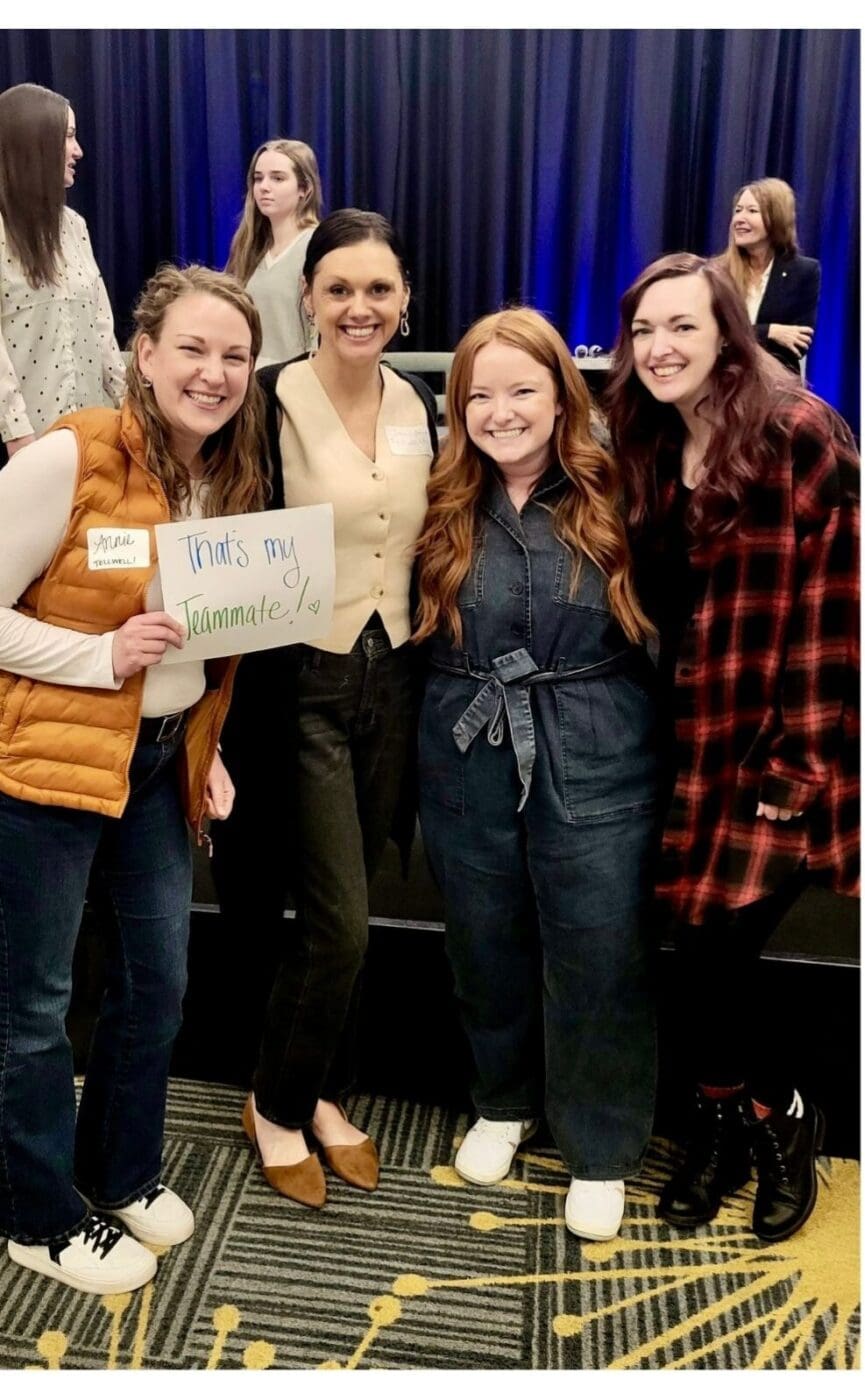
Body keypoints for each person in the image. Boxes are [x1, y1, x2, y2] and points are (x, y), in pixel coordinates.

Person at [0, 265, 266, 1293]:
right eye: (191, 348)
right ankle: (37, 1212)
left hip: (160, 765)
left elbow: (198, 645)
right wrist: (96, 659)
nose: (213, 372)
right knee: (33, 1004)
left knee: (157, 981)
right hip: (43, 766)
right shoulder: (70, 454)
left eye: (234, 355)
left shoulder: (229, 475)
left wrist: (209, 747)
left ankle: (117, 1170)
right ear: (142, 354)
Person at [607, 252, 857, 1244]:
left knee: (719, 947)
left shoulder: (798, 431)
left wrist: (795, 767)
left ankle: (782, 1116)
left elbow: (831, 610)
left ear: (726, 333)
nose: (660, 348)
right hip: (683, 735)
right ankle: (720, 1124)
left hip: (773, 743)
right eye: (644, 332)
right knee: (693, 950)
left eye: (682, 326)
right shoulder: (647, 438)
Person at [414, 308, 661, 1242]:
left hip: (595, 739)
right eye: (480, 394)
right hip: (465, 737)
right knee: (484, 937)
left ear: (563, 393)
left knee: (599, 951)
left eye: (523, 390)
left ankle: (599, 1146)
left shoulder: (620, 491)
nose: (501, 411)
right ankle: (504, 1102)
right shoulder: (438, 495)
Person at [209, 209, 437, 1209]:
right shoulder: (265, 400)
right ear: (304, 298)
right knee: (339, 918)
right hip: (294, 679)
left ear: (403, 301)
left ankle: (330, 1094)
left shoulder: (421, 399)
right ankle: (277, 1098)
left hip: (396, 682)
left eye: (377, 289)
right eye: (339, 287)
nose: (359, 306)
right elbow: (214, 536)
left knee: (357, 902)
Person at [0, 83, 127, 462]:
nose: (78, 151)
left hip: (91, 436)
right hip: (23, 446)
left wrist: (131, 411)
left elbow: (103, 328)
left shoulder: (74, 226)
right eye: (68, 136)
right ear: (33, 142)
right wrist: (17, 433)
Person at [223, 138, 322, 368]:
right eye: (258, 178)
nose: (264, 187)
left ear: (304, 189)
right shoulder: (248, 247)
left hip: (297, 382)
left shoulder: (318, 245)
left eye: (277, 178)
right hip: (249, 384)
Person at [714, 177, 819, 377]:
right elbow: (712, 335)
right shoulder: (716, 271)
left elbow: (797, 345)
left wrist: (739, 336)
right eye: (738, 210)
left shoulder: (804, 271)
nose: (739, 219)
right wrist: (770, 332)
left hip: (776, 385)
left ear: (776, 218)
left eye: (752, 211)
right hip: (723, 380)